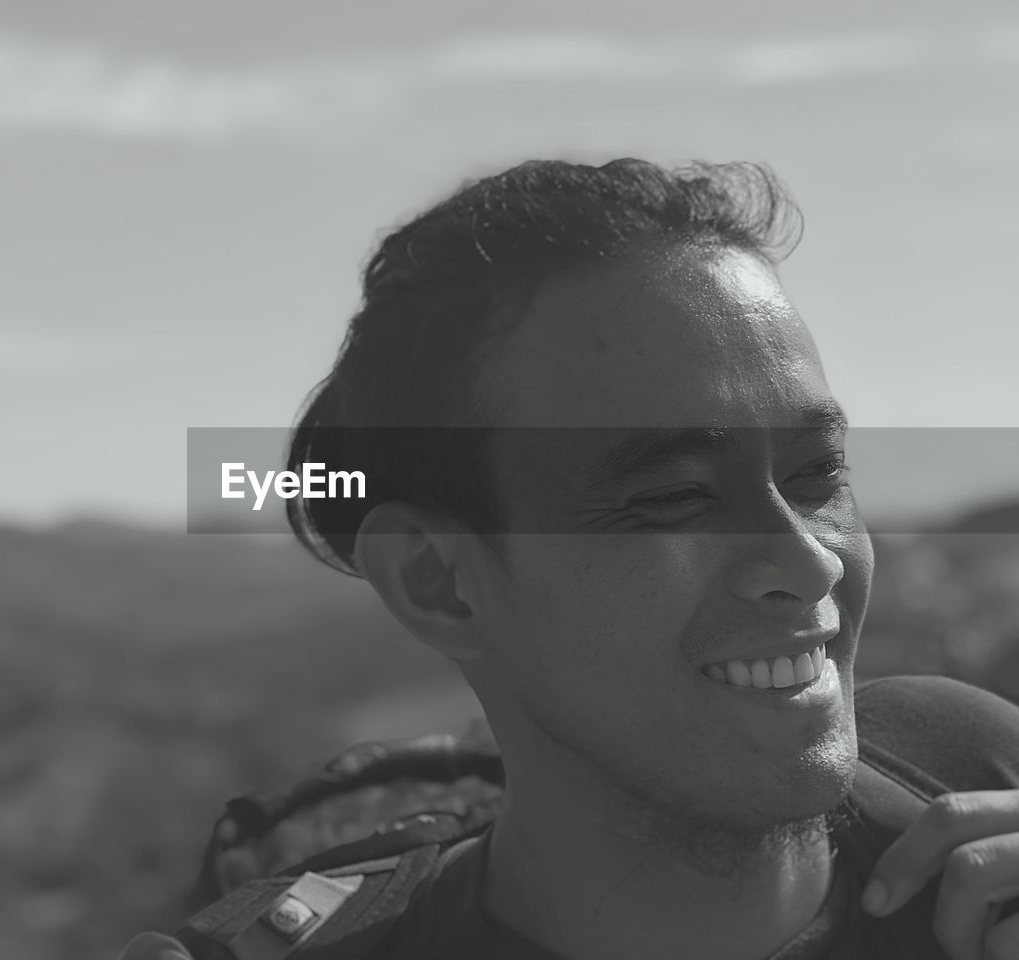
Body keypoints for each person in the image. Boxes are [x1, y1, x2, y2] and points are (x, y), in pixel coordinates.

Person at [126, 159, 1019, 959]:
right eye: (673, 498)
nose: (809, 562)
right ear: (441, 582)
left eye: (817, 473)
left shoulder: (970, 776)